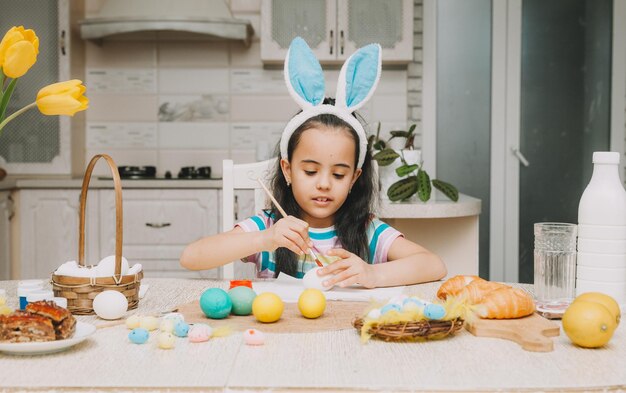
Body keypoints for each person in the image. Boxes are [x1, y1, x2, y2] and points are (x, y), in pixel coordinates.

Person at [180, 37, 446, 288]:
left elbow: (433, 265)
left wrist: (373, 273)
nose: (323, 184)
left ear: (354, 178)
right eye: (310, 171)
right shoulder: (270, 226)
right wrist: (263, 240)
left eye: (339, 175)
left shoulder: (366, 230)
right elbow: (192, 257)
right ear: (288, 170)